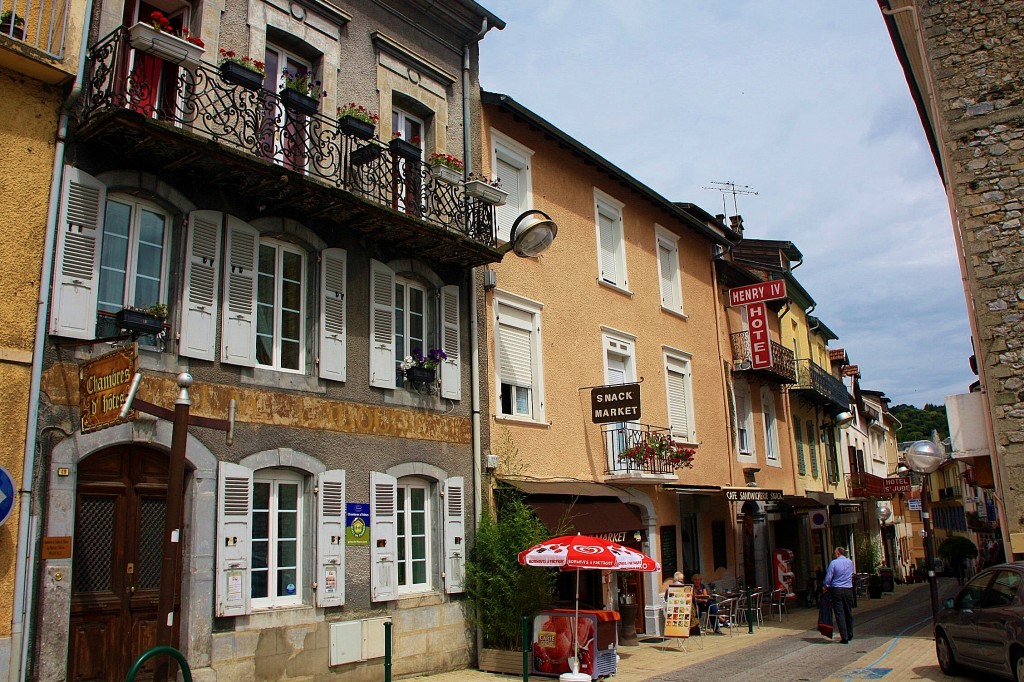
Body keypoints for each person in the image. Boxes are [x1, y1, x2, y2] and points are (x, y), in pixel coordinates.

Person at [823, 546, 855, 644]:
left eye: (834, 553)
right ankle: (850, 634)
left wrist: (826, 586)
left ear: (838, 554)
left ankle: (844, 637)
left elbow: (829, 577)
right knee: (848, 612)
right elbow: (851, 574)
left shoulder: (833, 563)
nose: (834, 554)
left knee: (839, 614)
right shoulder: (850, 562)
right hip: (848, 589)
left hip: (836, 590)